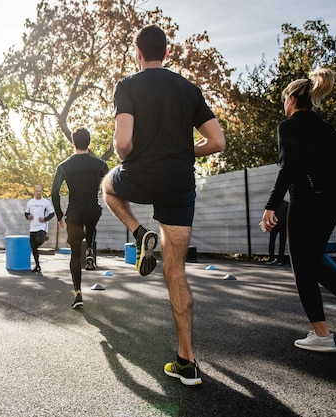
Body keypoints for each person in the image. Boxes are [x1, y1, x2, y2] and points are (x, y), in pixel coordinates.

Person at [101, 24, 226, 386]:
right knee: (176, 273)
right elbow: (217, 142)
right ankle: (187, 361)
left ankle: (139, 232)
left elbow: (123, 143)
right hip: (178, 184)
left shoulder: (127, 85)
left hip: (140, 176)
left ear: (137, 54)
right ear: (166, 54)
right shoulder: (189, 89)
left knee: (108, 186)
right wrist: (186, 150)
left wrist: (125, 150)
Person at [261, 68, 336, 353]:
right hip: (331, 201)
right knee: (313, 261)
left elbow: (289, 167)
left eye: (284, 99)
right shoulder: (323, 127)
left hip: (307, 201)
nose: (283, 105)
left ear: (292, 99)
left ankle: (321, 334)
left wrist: (270, 206)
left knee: (303, 267)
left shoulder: (288, 126)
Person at [51, 128, 109, 309]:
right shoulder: (100, 163)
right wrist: (101, 191)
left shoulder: (63, 166)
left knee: (75, 254)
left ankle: (78, 294)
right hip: (93, 209)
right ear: (89, 142)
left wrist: (60, 216)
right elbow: (109, 184)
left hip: (74, 213)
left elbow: (54, 193)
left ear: (73, 143)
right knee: (91, 222)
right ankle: (90, 248)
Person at [25, 185, 55, 273]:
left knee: (38, 241)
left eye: (40, 191)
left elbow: (52, 214)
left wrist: (44, 219)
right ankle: (37, 266)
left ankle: (44, 236)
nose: (38, 192)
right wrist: (28, 217)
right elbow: (26, 213)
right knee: (33, 247)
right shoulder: (30, 202)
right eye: (37, 191)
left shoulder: (46, 202)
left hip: (42, 227)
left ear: (42, 192)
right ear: (34, 192)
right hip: (33, 227)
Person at [266, 199, 289, 265]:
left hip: (274, 225)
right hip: (283, 225)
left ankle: (271, 258)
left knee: (272, 241)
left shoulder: (273, 204)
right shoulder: (286, 204)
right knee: (282, 242)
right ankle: (280, 259)